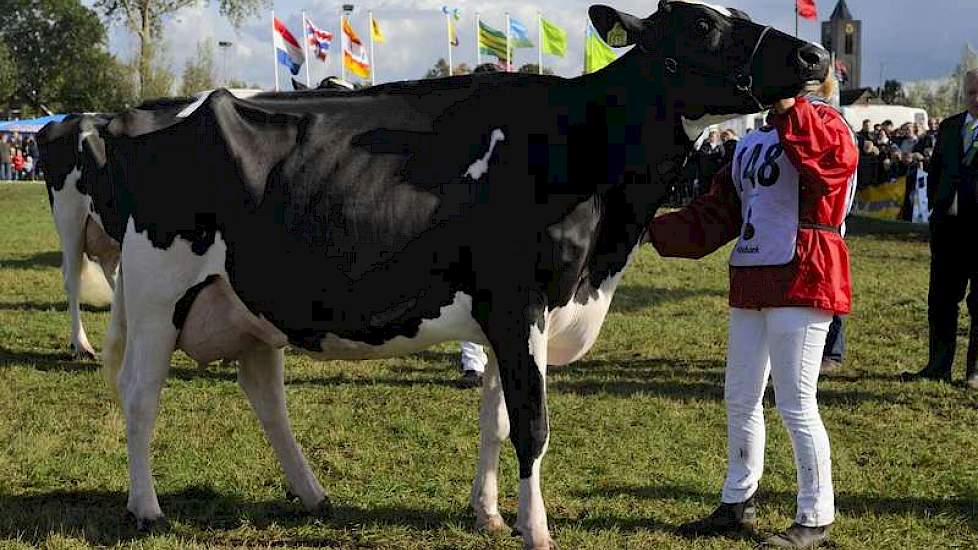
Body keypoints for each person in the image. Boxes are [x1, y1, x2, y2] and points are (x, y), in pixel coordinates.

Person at [651, 75, 857, 548]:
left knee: (796, 403)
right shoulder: (752, 140)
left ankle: (814, 516)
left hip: (804, 271)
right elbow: (717, 212)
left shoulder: (827, 122)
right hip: (752, 274)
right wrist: (651, 230)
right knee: (740, 397)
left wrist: (790, 108)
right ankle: (737, 501)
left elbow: (829, 167)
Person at [903, 69, 978, 387]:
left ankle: (975, 371)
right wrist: (937, 206)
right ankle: (938, 365)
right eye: (972, 92)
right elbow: (935, 172)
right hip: (948, 228)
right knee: (942, 299)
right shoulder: (950, 126)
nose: (976, 98)